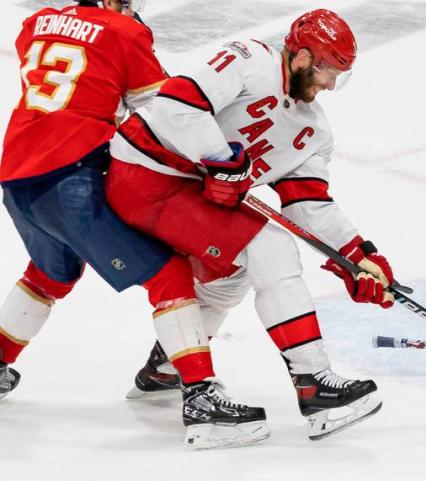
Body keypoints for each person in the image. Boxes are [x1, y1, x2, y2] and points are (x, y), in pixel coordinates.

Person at [104, 9, 396, 440]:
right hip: (145, 174)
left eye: (339, 75)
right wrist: (221, 160)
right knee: (269, 247)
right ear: (300, 57)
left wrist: (356, 256)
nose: (330, 84)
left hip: (189, 193)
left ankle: (165, 367)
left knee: (233, 273)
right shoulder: (247, 60)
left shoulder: (313, 131)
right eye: (326, 70)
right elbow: (175, 105)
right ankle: (313, 382)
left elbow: (309, 203)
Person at [0, 0, 266, 449]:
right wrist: (216, 164)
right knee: (171, 275)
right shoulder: (125, 33)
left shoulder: (37, 21)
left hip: (16, 175)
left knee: (51, 273)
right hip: (71, 176)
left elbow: (68, 66)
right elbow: (163, 113)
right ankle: (201, 398)